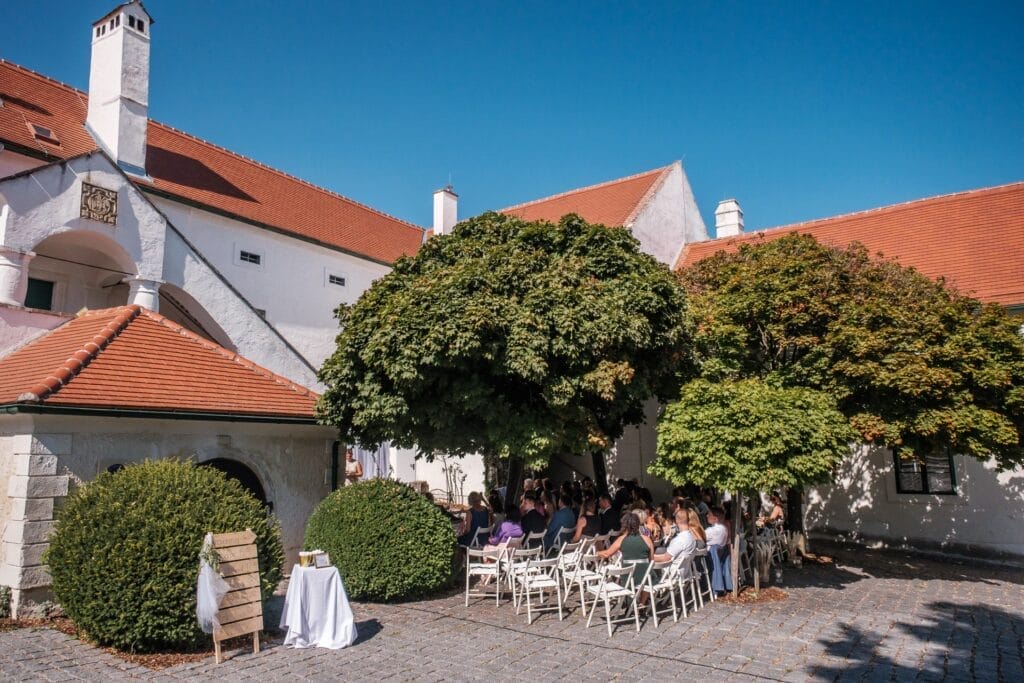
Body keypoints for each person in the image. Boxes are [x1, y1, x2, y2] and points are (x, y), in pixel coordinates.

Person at [598, 512, 654, 601]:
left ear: (624, 525)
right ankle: (642, 603)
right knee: (647, 573)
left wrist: (597, 552)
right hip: (646, 576)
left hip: (629, 576)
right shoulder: (647, 540)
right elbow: (651, 560)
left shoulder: (622, 539)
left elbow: (607, 554)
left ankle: (632, 603)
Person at [706, 506, 732, 595]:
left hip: (709, 558)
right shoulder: (724, 529)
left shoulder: (712, 530)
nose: (707, 516)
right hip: (720, 555)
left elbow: (700, 537)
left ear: (715, 519)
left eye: (709, 515)